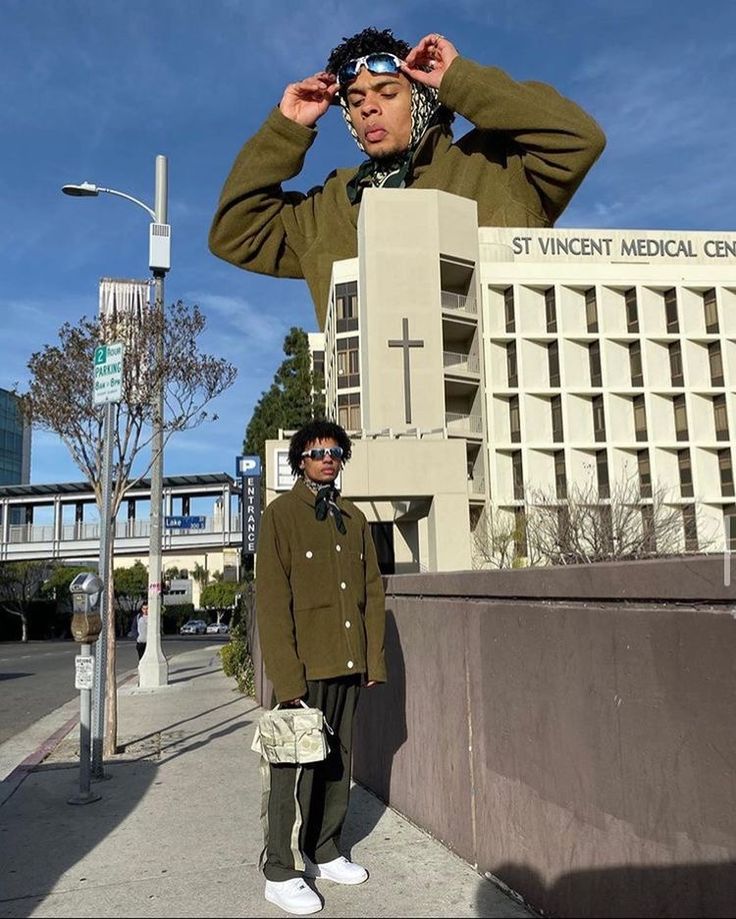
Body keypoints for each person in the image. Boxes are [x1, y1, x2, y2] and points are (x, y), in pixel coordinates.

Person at [209, 27, 606, 329]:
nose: (369, 109)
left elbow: (578, 139)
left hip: (506, 408)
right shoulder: (330, 207)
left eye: (387, 92)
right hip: (375, 424)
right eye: (357, 100)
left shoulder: (495, 166)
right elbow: (236, 231)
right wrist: (286, 128)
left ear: (421, 96)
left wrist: (458, 80)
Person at [255, 420, 386, 916]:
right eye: (317, 452)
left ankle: (324, 849)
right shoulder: (280, 516)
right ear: (300, 460)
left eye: (335, 451)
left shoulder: (352, 519)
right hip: (304, 670)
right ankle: (280, 871)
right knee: (290, 771)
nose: (327, 458)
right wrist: (287, 681)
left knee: (337, 764)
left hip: (347, 664)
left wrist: (372, 661)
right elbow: (272, 603)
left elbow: (372, 593)